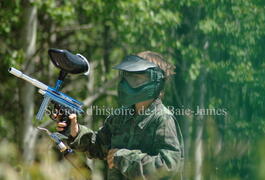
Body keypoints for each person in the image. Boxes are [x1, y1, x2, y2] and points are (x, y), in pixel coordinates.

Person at [56, 51, 184, 180]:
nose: (127, 83)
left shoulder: (162, 119)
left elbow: (169, 166)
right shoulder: (120, 117)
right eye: (128, 76)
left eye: (137, 78)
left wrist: (124, 158)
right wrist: (75, 130)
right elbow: (98, 146)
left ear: (155, 81)